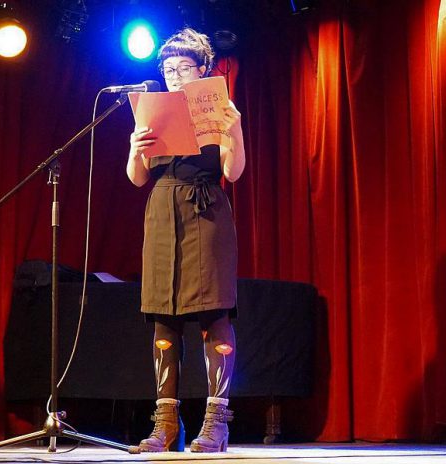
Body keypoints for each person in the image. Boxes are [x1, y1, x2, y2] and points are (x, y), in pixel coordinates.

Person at [126, 28, 245, 453]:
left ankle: (216, 424)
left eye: (184, 68)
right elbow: (137, 178)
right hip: (162, 210)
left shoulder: (219, 107)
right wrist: (136, 148)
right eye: (169, 69)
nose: (175, 75)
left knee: (213, 312)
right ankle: (166, 425)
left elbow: (233, 172)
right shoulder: (152, 110)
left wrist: (235, 132)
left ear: (203, 69)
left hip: (206, 209)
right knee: (164, 315)